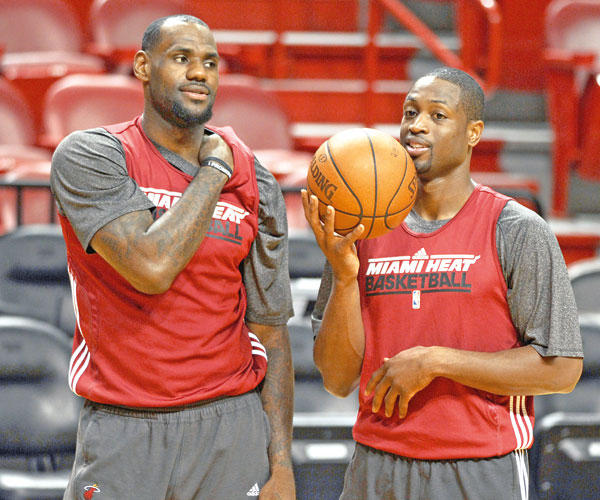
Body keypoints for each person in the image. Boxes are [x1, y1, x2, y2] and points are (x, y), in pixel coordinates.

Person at [302, 67, 583, 500]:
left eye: (437, 115)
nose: (416, 125)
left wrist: (436, 361)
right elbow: (337, 380)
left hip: (478, 467)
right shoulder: (362, 228)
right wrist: (344, 276)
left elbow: (562, 369)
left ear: (473, 133)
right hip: (376, 465)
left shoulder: (516, 228)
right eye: (410, 112)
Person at [50, 15, 295, 500]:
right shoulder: (93, 155)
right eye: (182, 58)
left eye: (210, 63)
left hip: (230, 425)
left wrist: (282, 462)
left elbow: (269, 329)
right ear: (143, 66)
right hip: (125, 426)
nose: (200, 72)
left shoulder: (257, 180)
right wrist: (215, 169)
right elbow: (152, 267)